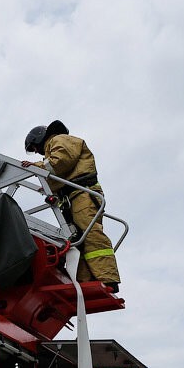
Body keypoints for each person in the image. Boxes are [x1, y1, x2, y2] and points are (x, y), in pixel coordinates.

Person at [21, 120, 121, 292]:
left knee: (90, 234)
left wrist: (36, 167)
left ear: (38, 139)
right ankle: (85, 280)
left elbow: (60, 162)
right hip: (74, 197)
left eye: (34, 148)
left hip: (83, 195)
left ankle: (107, 278)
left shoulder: (59, 139)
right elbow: (61, 177)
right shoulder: (55, 145)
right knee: (77, 240)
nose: (36, 153)